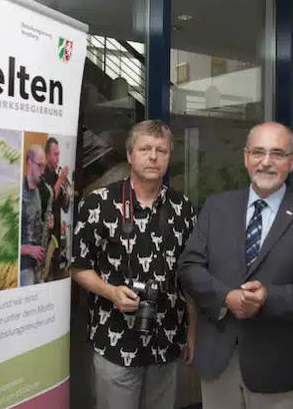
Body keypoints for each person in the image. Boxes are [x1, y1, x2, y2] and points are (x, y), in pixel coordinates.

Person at [177, 122, 293, 409]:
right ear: (245, 157)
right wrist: (227, 297)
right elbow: (189, 267)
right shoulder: (216, 207)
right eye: (258, 152)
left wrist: (268, 298)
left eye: (277, 153)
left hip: (276, 365)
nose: (266, 162)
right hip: (218, 360)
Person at [70, 120, 198, 409]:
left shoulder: (183, 209)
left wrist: (192, 332)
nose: (153, 156)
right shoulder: (97, 204)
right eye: (145, 149)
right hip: (115, 342)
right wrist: (110, 292)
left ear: (168, 157)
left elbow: (190, 276)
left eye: (161, 150)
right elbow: (77, 267)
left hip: (167, 342)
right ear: (129, 155)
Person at [20, 144, 53, 286]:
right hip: (23, 267)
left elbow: (34, 222)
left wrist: (45, 224)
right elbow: (6, 244)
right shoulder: (18, 193)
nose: (42, 171)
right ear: (29, 162)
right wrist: (29, 250)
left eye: (44, 167)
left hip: (36, 263)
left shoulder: (38, 192)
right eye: (39, 166)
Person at [38, 137, 71, 279]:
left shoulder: (58, 176)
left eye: (59, 154)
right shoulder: (42, 176)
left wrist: (67, 193)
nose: (58, 158)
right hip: (46, 234)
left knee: (57, 273)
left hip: (57, 234)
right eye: (55, 154)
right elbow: (49, 198)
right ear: (47, 155)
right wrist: (61, 180)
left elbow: (65, 208)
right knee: (46, 274)